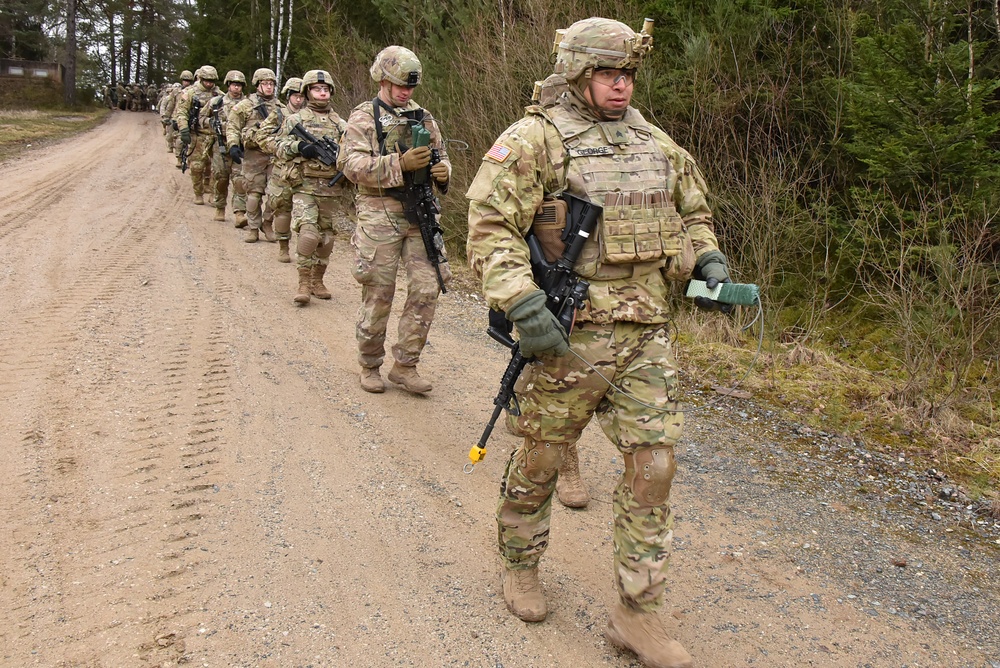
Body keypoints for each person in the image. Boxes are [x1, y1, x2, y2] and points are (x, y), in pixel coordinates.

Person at [466, 17, 733, 668]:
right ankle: (521, 564)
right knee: (543, 456)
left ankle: (636, 614)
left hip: (648, 327)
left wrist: (708, 261)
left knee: (655, 467)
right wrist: (523, 301)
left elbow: (693, 210)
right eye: (610, 76)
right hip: (571, 332)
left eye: (629, 76)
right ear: (579, 76)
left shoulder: (653, 141)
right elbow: (490, 225)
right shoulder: (539, 138)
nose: (622, 87)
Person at [339, 46, 451, 395]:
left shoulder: (424, 117)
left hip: (420, 212)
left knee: (426, 288)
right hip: (379, 212)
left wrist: (443, 171)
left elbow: (442, 154)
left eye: (410, 87)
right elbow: (351, 166)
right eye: (398, 85)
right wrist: (398, 165)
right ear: (382, 80)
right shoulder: (363, 117)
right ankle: (369, 364)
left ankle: (406, 364)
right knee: (378, 291)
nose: (405, 92)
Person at [275, 70, 353, 304]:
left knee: (327, 239)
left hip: (332, 188)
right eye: (317, 88)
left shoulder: (341, 124)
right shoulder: (295, 120)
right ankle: (304, 282)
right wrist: (299, 147)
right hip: (304, 185)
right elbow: (277, 146)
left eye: (326, 89)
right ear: (307, 91)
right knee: (308, 233)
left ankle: (319, 280)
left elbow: (353, 152)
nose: (322, 93)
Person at [253, 77, 307, 263]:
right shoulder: (279, 114)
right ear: (289, 96)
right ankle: (283, 246)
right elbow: (262, 137)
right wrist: (281, 147)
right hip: (282, 168)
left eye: (302, 96)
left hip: (305, 171)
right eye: (295, 96)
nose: (299, 100)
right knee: (282, 208)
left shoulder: (310, 116)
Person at [227, 68, 280, 242]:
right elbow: (233, 126)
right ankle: (253, 227)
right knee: (253, 194)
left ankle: (267, 223)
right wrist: (234, 145)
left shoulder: (280, 108)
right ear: (257, 85)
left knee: (276, 194)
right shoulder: (245, 105)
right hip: (253, 155)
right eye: (265, 84)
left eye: (271, 84)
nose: (269, 87)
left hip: (274, 155)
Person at [174, 66, 221, 204]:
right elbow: (181, 112)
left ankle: (213, 193)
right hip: (197, 134)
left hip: (213, 135)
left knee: (216, 168)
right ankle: (198, 193)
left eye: (211, 80)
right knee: (196, 166)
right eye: (206, 80)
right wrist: (183, 130)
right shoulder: (190, 93)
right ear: (200, 78)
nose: (209, 83)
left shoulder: (219, 95)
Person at [206, 71, 246, 222]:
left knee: (240, 180)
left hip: (240, 146)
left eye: (239, 85)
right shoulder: (217, 102)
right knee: (221, 177)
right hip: (220, 144)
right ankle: (220, 207)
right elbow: (202, 119)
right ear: (228, 85)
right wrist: (213, 125)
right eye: (234, 84)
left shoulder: (247, 103)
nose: (237, 87)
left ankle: (239, 213)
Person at [163, 72, 194, 163]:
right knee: (179, 139)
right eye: (184, 80)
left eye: (188, 81)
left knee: (191, 140)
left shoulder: (193, 91)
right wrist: (166, 117)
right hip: (177, 117)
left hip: (190, 117)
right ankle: (179, 159)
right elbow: (171, 105)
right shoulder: (176, 91)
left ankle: (189, 160)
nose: (186, 83)